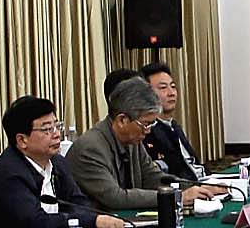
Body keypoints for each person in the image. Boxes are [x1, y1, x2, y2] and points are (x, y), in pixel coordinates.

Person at [0, 96, 126, 228]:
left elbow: (78, 203)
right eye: (47, 130)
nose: (56, 134)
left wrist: (92, 218)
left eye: (57, 126)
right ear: (22, 140)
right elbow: (35, 222)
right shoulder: (9, 174)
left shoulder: (58, 162)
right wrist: (92, 221)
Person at [69, 78, 210, 214]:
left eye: (152, 124)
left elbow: (153, 177)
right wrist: (175, 197)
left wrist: (196, 188)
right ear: (122, 120)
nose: (148, 131)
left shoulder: (132, 140)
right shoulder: (90, 148)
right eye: (145, 124)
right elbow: (115, 198)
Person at [140, 61, 202, 184]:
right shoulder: (148, 131)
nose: (171, 93)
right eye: (163, 88)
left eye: (173, 86)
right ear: (146, 94)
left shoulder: (173, 125)